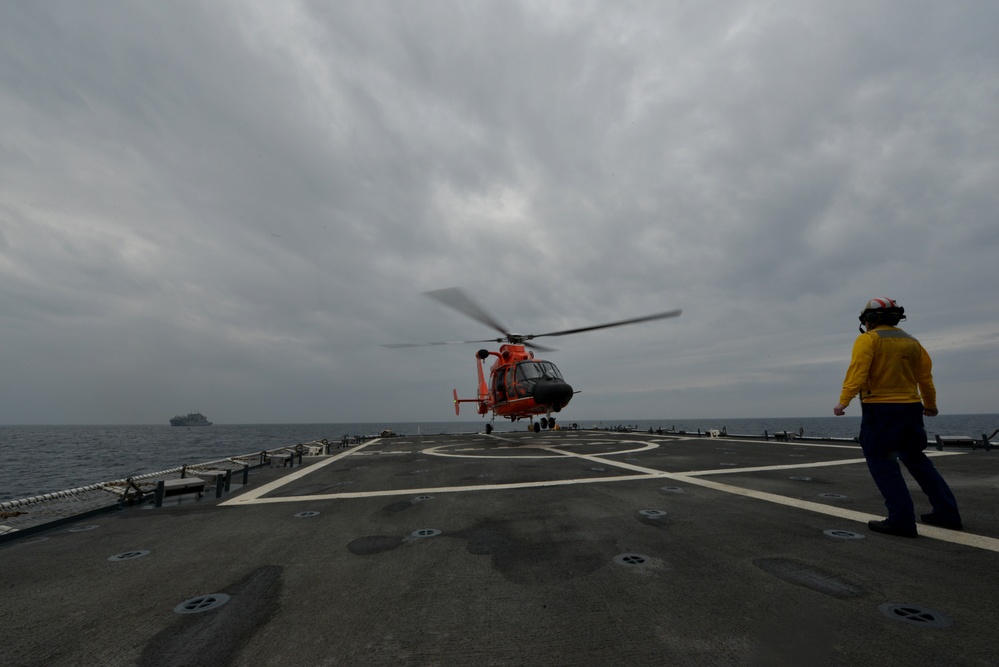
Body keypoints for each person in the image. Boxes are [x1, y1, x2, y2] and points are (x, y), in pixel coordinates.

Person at [833, 297, 962, 538]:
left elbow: (858, 371)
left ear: (869, 320)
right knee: (917, 459)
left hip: (881, 410)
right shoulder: (912, 342)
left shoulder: (868, 339)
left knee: (882, 461)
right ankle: (947, 513)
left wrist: (844, 400)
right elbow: (925, 377)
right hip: (912, 408)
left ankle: (901, 520)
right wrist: (930, 404)